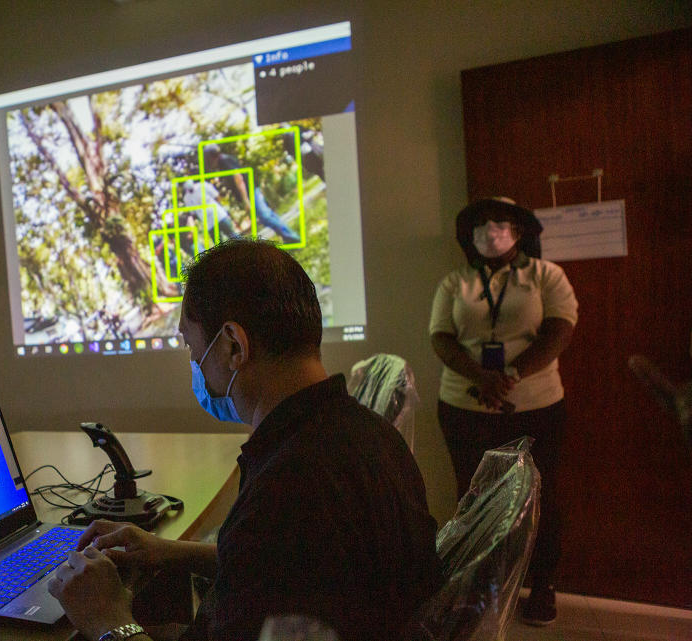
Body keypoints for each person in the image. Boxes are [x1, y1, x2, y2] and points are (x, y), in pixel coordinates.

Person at [49, 238, 443, 641]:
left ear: (233, 345)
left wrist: (108, 620)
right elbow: (289, 568)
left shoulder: (287, 489)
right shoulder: (365, 434)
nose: (192, 361)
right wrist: (170, 550)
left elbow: (277, 546)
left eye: (191, 344)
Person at [429, 197, 578, 626]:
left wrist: (510, 374)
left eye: (501, 222)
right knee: (474, 496)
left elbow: (560, 330)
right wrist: (482, 377)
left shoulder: (547, 276)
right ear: (468, 235)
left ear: (518, 230)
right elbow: (441, 337)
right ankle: (478, 587)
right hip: (463, 406)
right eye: (481, 224)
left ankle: (542, 584)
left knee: (540, 495)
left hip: (536, 406)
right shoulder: (453, 282)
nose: (491, 230)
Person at [203, 143, 301, 244]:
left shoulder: (223, 161)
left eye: (208, 158)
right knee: (268, 216)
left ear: (212, 155)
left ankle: (292, 238)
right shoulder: (223, 162)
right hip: (250, 191)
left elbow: (238, 178)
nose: (208, 161)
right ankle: (289, 237)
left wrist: (246, 200)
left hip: (250, 192)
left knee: (265, 217)